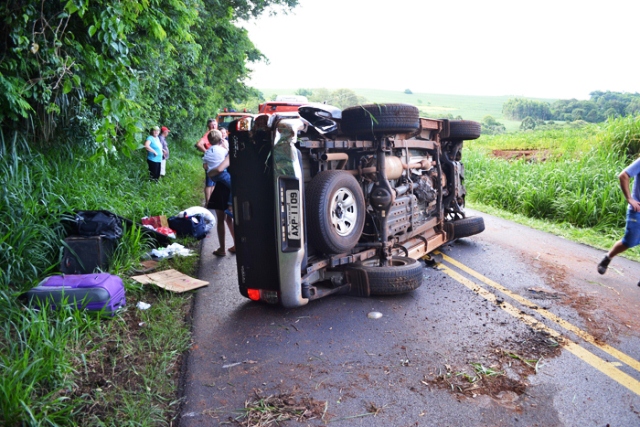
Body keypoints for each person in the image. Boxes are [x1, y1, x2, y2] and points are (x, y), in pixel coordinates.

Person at [597, 158, 640, 287]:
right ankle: (608, 257)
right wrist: (629, 199)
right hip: (637, 210)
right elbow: (624, 175)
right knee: (629, 241)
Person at [207, 156, 235, 256]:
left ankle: (222, 249)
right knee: (230, 219)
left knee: (220, 220)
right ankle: (237, 244)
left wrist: (210, 173)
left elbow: (219, 169)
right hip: (235, 189)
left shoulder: (231, 153)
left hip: (223, 190)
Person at [203, 130, 233, 217]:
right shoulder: (222, 150)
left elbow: (205, 165)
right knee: (234, 185)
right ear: (221, 139)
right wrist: (226, 146)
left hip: (212, 175)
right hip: (221, 173)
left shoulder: (207, 151)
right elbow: (229, 156)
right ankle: (230, 206)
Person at [195, 119, 218, 206]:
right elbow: (199, 144)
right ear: (208, 126)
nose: (213, 126)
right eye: (211, 125)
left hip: (216, 160)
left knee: (214, 181)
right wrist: (207, 152)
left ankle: (212, 200)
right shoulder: (208, 134)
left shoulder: (216, 133)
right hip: (210, 161)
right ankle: (208, 202)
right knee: (209, 182)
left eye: (215, 124)